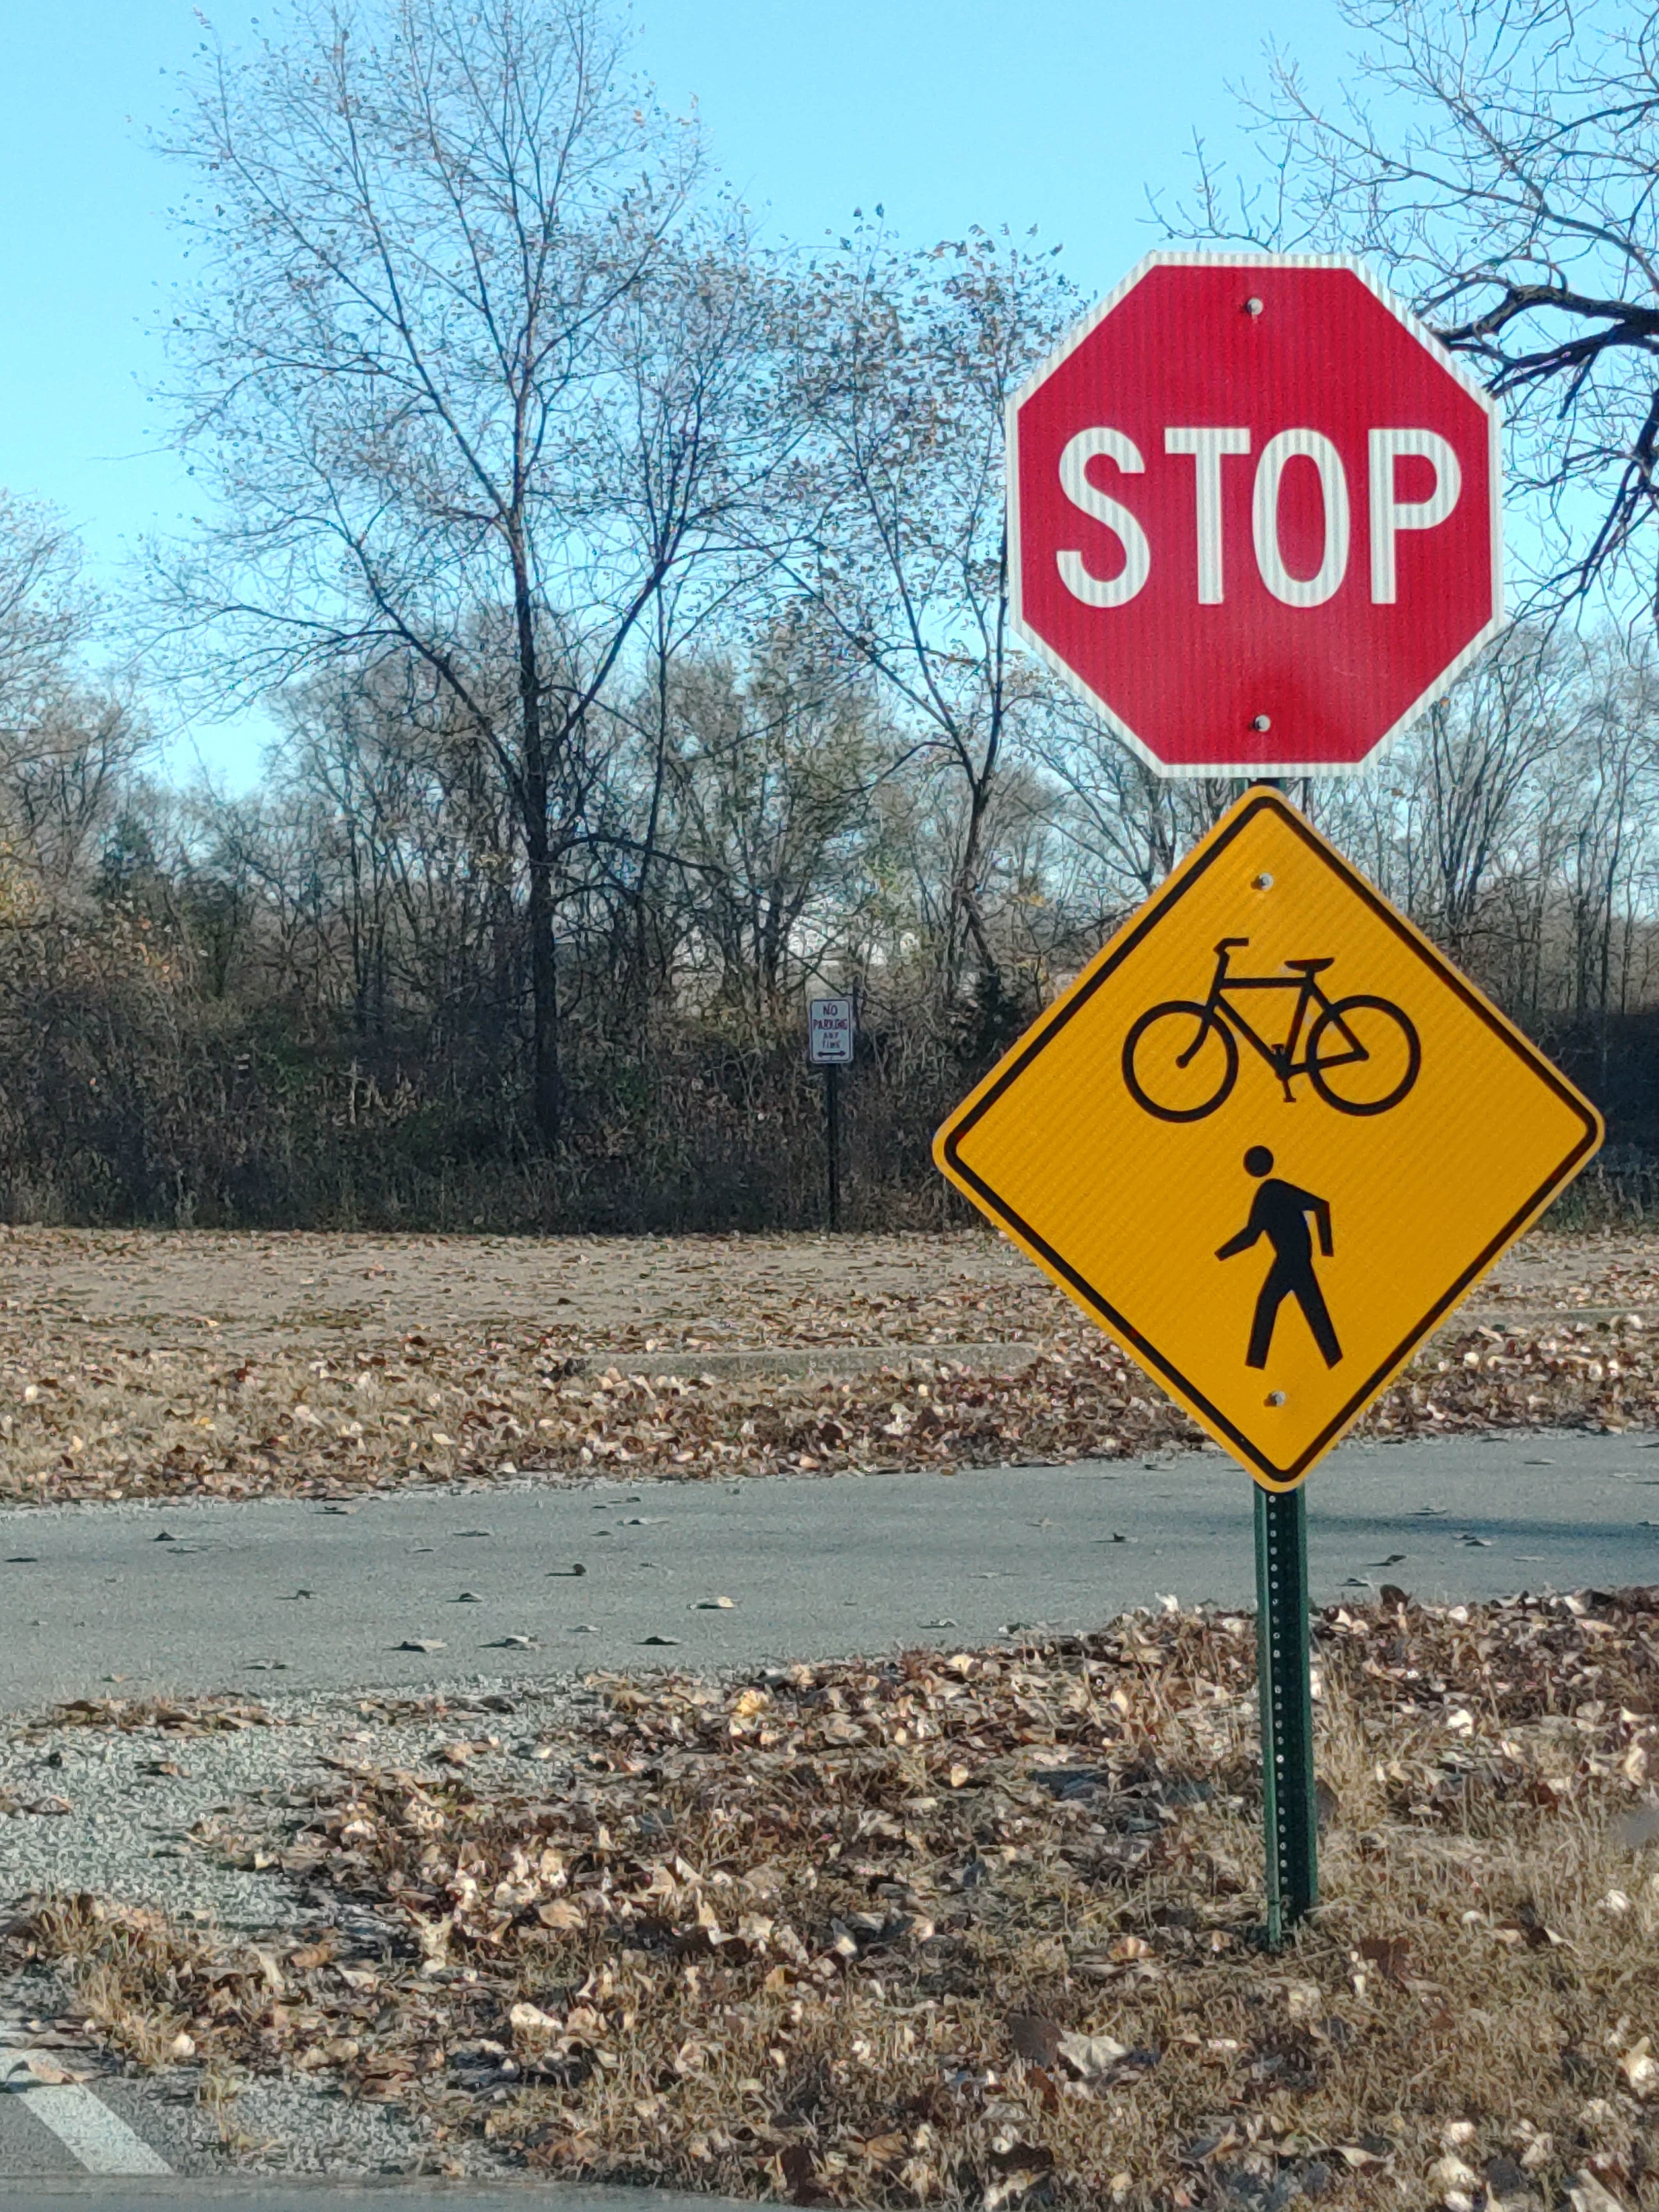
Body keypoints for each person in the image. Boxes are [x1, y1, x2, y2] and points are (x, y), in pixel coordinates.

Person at [1216, 1146, 1342, 1370]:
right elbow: (1252, 1236)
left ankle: (1256, 1363)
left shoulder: (1273, 1190)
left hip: (1294, 1258)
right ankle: (1334, 1360)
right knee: (1309, 1308)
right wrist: (1222, 1255)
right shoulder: (1269, 1192)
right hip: (1291, 1258)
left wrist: (1327, 1249)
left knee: (1273, 1303)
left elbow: (1321, 1206)